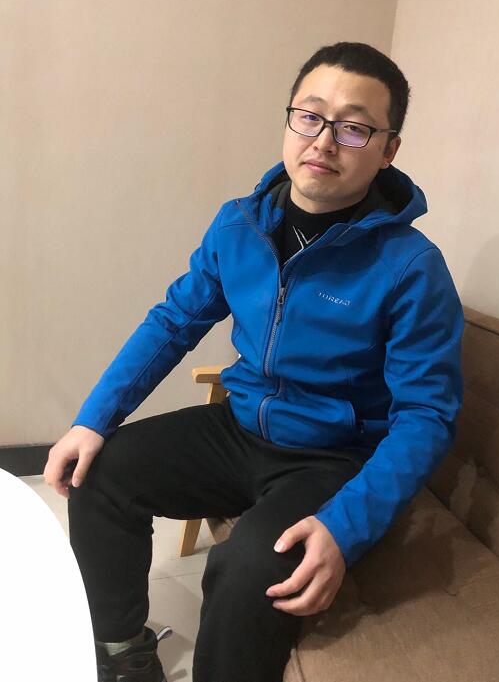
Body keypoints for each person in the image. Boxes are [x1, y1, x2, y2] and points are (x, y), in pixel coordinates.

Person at [44, 41, 463, 682]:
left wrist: (345, 526)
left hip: (332, 457)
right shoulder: (239, 225)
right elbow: (173, 322)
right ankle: (124, 653)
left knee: (249, 570)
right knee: (97, 474)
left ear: (388, 150)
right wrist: (92, 419)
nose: (324, 140)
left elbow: (426, 415)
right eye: (310, 115)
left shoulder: (411, 267)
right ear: (289, 119)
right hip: (238, 428)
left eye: (354, 128)